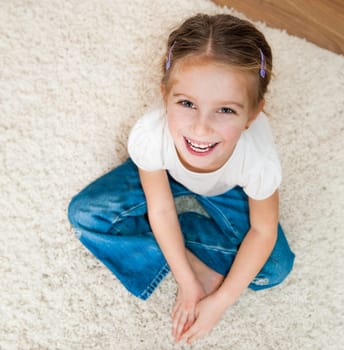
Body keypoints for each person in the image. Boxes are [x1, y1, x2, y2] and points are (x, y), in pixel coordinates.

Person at [68, 13, 295, 344]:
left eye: (226, 110)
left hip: (229, 187)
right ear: (165, 95)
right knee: (84, 215)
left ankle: (177, 239)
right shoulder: (151, 135)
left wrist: (221, 300)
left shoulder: (259, 162)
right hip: (166, 169)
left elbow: (263, 230)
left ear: (254, 113)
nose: (201, 128)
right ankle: (188, 255)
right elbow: (159, 208)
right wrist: (187, 279)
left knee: (275, 268)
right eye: (187, 103)